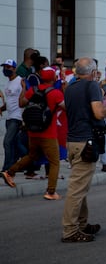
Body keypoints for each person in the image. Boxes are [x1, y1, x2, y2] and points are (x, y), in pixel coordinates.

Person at [61, 57, 106, 243]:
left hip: (73, 141)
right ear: (93, 72)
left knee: (81, 186)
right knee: (77, 189)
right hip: (85, 141)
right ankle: (70, 230)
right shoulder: (91, 86)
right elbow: (99, 113)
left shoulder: (70, 88)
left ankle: (82, 223)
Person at [1, 67, 66, 200]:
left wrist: (24, 88)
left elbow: (21, 103)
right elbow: (67, 107)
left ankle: (9, 172)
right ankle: (51, 191)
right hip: (48, 134)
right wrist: (64, 88)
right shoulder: (56, 93)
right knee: (54, 162)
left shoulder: (33, 90)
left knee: (32, 155)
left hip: (33, 132)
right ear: (54, 78)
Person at [0, 59, 23, 172]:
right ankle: (26, 162)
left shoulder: (20, 81)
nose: (5, 69)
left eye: (8, 67)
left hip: (17, 117)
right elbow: (9, 102)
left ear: (14, 68)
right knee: (15, 143)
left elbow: (24, 99)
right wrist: (1, 109)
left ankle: (7, 168)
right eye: (4, 67)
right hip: (9, 117)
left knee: (7, 142)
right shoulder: (8, 83)